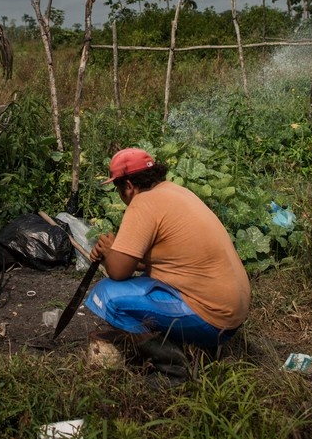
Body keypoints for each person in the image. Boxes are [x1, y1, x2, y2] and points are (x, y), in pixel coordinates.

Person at [85, 148, 251, 377]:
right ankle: (201, 349)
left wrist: (110, 252)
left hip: (212, 319)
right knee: (140, 282)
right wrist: (113, 251)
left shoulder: (143, 203)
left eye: (117, 188)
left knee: (106, 295)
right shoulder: (175, 191)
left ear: (129, 186)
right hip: (232, 315)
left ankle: (173, 367)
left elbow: (119, 272)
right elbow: (160, 260)